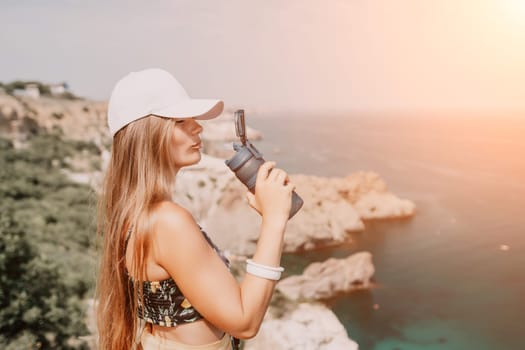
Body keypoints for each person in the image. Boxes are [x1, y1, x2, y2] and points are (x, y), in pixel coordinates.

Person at [96, 68, 295, 350]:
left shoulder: (137, 213)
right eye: (180, 120)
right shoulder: (167, 220)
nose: (197, 127)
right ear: (146, 135)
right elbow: (244, 321)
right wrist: (274, 220)